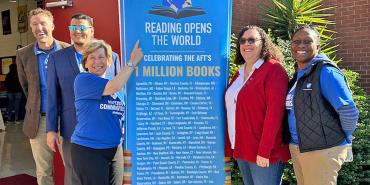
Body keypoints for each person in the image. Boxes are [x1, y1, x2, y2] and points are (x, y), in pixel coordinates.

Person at [46, 13, 123, 185]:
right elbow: (52, 96)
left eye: (82, 27)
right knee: (74, 177)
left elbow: (119, 92)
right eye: (73, 27)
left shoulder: (113, 57)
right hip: (71, 129)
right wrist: (51, 130)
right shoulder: (56, 58)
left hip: (105, 134)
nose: (77, 31)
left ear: (92, 30)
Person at [284, 25, 359, 185]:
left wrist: (344, 136)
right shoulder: (299, 74)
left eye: (307, 41)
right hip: (299, 147)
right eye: (296, 41)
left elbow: (348, 110)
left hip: (322, 150)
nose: (301, 45)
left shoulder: (326, 72)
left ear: (317, 46)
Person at [224, 25, 290, 185]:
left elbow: (275, 114)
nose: (246, 44)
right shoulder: (238, 73)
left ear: (263, 43)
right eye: (243, 40)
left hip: (264, 151)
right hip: (241, 147)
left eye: (252, 40)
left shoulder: (273, 70)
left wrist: (264, 150)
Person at [71, 39, 142, 185]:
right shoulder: (83, 79)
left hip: (115, 149)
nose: (97, 61)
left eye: (101, 57)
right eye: (92, 58)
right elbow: (114, 86)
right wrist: (132, 62)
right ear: (85, 63)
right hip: (89, 150)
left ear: (109, 61)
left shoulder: (117, 86)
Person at [15, 8, 70, 185]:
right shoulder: (23, 55)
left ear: (52, 25)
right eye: (35, 24)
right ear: (31, 28)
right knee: (43, 171)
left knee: (72, 166)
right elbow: (26, 86)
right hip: (39, 121)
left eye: (43, 23)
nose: (39, 28)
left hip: (66, 119)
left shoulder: (68, 50)